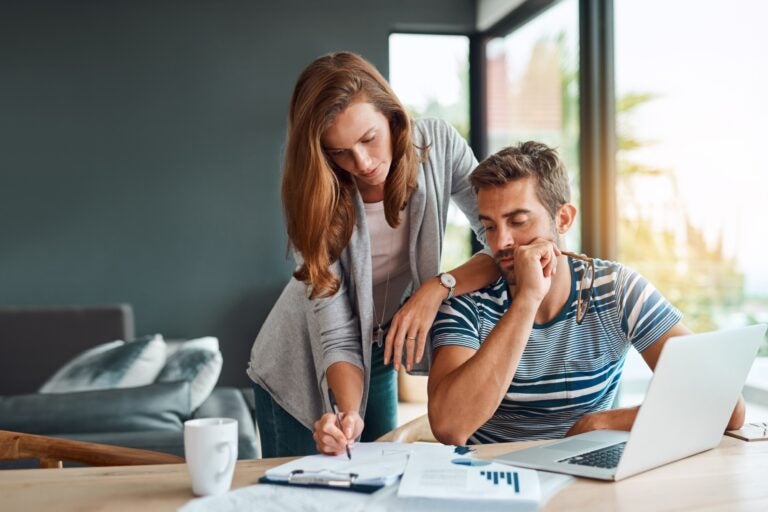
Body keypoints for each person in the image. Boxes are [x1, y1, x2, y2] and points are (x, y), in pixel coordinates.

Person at [246, 51, 498, 457]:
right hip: (300, 362)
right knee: (307, 493)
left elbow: (498, 239)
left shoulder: (438, 146)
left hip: (378, 350)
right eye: (339, 152)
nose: (361, 163)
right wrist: (346, 414)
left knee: (380, 481)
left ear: (393, 118)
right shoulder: (316, 199)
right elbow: (336, 332)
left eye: (368, 139)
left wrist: (438, 287)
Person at [427, 141, 745, 445]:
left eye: (518, 221)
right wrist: (527, 299)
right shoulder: (466, 303)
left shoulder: (615, 289)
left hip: (584, 479)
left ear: (563, 219)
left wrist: (601, 422)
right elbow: (449, 427)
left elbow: (726, 406)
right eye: (490, 227)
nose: (500, 243)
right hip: (494, 480)